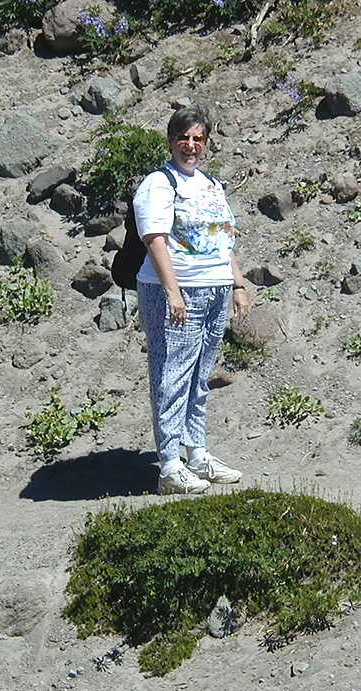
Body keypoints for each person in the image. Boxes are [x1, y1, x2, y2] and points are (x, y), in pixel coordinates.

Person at [133, 106, 250, 495]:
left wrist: (238, 285)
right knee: (171, 374)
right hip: (178, 291)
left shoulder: (211, 184)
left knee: (199, 375)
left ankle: (196, 452)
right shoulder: (159, 184)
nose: (191, 145)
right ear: (171, 141)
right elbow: (154, 239)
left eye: (198, 139)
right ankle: (169, 463)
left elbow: (223, 241)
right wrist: (172, 292)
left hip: (215, 289)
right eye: (184, 137)